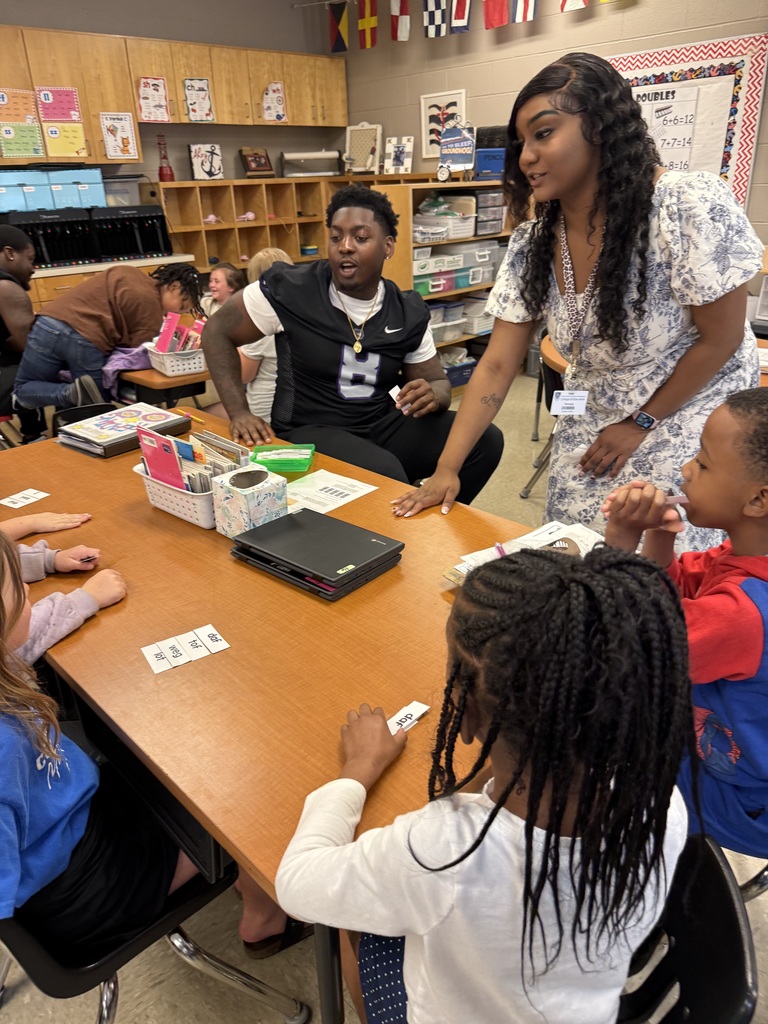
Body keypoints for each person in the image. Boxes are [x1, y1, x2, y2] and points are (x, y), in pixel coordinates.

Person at [276, 546, 691, 1024]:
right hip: (584, 1008)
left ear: (465, 711)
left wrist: (357, 771)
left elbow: (298, 884)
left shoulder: (442, 851)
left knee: (357, 926)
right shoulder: (662, 801)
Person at [392, 52, 763, 550]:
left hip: (687, 416)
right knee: (575, 552)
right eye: (520, 141)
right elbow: (499, 364)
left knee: (665, 568)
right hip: (594, 413)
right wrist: (446, 469)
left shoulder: (684, 206)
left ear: (602, 129)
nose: (525, 157)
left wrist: (639, 423)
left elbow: (720, 341)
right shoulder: (535, 241)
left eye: (543, 133)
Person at [0, 530, 309, 967]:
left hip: (76, 818)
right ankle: (263, 917)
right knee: (274, 778)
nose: (29, 589)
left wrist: (75, 594)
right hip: (85, 888)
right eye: (16, 587)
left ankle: (249, 880)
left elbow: (19, 639)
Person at [202, 184, 503, 500]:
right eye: (336, 237)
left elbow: (437, 382)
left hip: (380, 424)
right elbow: (216, 332)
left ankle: (437, 520)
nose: (345, 246)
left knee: (484, 440)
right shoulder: (289, 288)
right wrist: (239, 411)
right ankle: (406, 526)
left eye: (360, 238)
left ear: (387, 247)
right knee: (385, 473)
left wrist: (434, 395)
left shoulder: (407, 310)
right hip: (308, 431)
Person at [603, 387, 768, 858]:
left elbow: (626, 647)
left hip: (740, 797)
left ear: (758, 499)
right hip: (727, 749)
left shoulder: (744, 613)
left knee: (590, 763)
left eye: (704, 463)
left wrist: (620, 539)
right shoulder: (742, 557)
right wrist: (657, 536)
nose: (685, 470)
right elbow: (670, 606)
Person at [13, 263, 203, 411]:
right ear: (174, 286)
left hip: (47, 324)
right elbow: (134, 353)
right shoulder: (152, 310)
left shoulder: (130, 272)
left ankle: (68, 394)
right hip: (86, 339)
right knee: (97, 406)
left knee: (23, 388)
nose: (177, 313)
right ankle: (70, 394)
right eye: (182, 306)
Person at [203, 249, 291, 423]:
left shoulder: (260, 322)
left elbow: (243, 375)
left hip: (264, 411)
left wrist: (229, 345)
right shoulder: (302, 309)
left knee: (198, 414)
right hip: (295, 407)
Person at [0, 225, 46, 441]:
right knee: (69, 374)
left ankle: (32, 433)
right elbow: (31, 347)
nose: (33, 268)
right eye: (30, 259)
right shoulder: (6, 287)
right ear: (9, 253)